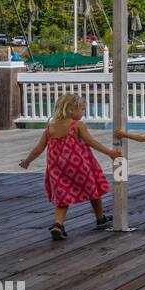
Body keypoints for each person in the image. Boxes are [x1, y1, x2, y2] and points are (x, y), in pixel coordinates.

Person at [18, 94, 121, 240]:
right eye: (82, 109)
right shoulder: (77, 125)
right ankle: (100, 218)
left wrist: (27, 161)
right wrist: (110, 152)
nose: (83, 113)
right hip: (79, 165)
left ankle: (58, 224)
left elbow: (38, 149)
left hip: (57, 168)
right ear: (72, 110)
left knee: (62, 195)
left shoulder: (50, 128)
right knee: (93, 190)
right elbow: (91, 142)